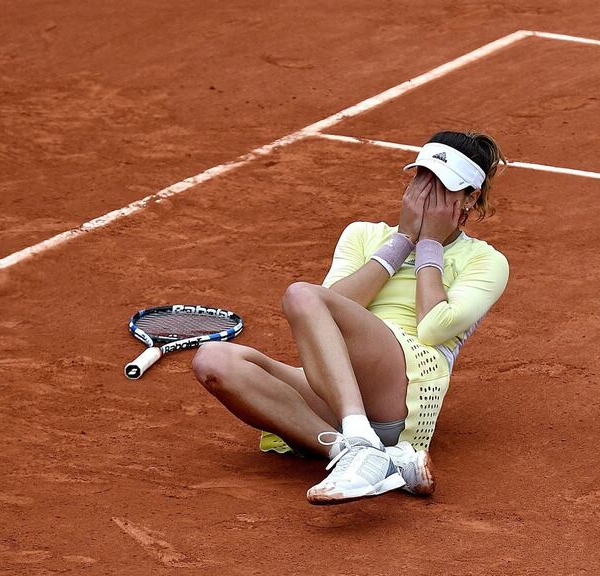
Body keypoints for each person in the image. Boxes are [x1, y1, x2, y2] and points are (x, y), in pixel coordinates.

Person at [191, 131, 510, 504]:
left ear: (470, 199)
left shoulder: (487, 261)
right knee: (213, 360)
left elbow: (433, 327)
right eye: (421, 178)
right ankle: (359, 452)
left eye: (442, 186)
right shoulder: (363, 234)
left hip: (409, 383)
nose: (426, 194)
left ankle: (360, 437)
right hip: (340, 389)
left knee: (301, 293)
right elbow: (330, 306)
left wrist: (429, 245)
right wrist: (402, 240)